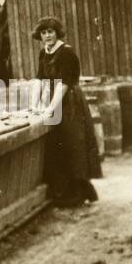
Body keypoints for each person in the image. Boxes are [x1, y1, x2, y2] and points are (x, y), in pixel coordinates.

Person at [32, 17, 101, 206]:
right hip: (55, 100)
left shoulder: (66, 53)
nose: (47, 36)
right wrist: (33, 106)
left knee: (73, 145)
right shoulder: (43, 53)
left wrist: (49, 110)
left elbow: (63, 84)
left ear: (57, 33)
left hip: (70, 102)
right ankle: (62, 192)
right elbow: (39, 80)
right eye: (44, 32)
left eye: (51, 32)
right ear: (40, 35)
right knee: (57, 146)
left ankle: (78, 194)